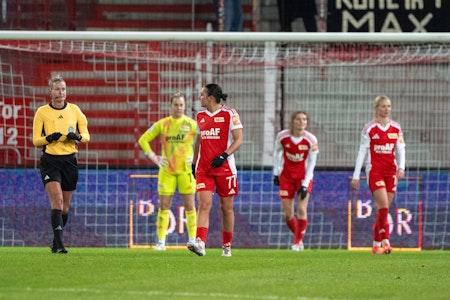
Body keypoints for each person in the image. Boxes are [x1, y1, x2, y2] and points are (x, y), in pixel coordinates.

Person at [32, 74, 90, 254]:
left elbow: (87, 135)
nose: (60, 92)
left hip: (70, 161)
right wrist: (49, 138)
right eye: (57, 89)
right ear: (50, 92)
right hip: (50, 161)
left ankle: (55, 241)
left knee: (64, 207)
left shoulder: (75, 110)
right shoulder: (42, 112)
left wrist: (77, 137)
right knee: (56, 201)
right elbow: (35, 140)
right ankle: (60, 245)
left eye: (63, 89)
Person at [187, 83, 243, 257]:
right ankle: (200, 243)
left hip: (225, 168)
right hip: (205, 169)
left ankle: (226, 246)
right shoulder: (200, 116)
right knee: (203, 204)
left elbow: (239, 139)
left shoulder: (230, 114)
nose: (200, 97)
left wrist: (224, 155)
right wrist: (194, 162)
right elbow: (199, 140)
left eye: (202, 94)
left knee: (226, 208)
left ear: (210, 97)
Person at [138, 91, 197, 251]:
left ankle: (193, 240)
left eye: (181, 105)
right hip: (167, 171)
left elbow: (205, 141)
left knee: (190, 206)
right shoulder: (163, 124)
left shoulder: (192, 124)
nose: (178, 108)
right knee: (164, 206)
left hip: (186, 171)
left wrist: (196, 158)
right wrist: (154, 157)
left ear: (185, 107)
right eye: (176, 105)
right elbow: (143, 139)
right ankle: (161, 242)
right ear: (170, 107)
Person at [351, 95, 406, 255]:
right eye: (383, 106)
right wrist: (356, 175)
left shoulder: (396, 127)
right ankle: (386, 242)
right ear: (377, 108)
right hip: (375, 171)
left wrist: (401, 167)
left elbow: (401, 148)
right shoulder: (369, 128)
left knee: (383, 210)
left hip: (391, 172)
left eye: (389, 106)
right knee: (383, 206)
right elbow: (362, 151)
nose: (386, 109)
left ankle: (375, 244)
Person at [273, 111, 319, 251]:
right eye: (298, 119)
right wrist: (276, 173)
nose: (302, 122)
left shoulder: (311, 140)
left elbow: (312, 163)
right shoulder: (282, 136)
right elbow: (277, 152)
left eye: (304, 119)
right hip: (286, 177)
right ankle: (299, 238)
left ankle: (297, 242)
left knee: (301, 209)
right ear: (293, 121)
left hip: (303, 177)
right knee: (288, 214)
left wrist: (305, 184)